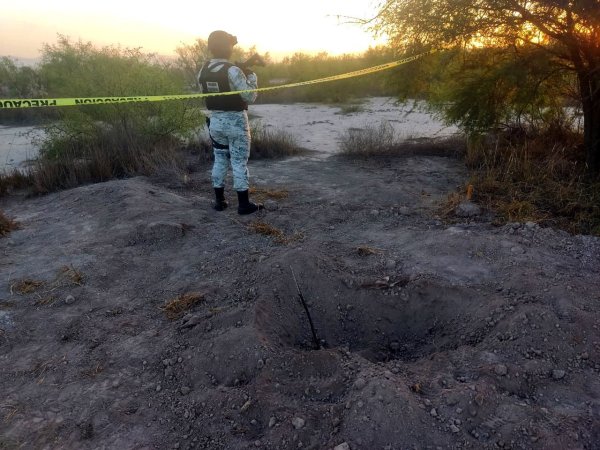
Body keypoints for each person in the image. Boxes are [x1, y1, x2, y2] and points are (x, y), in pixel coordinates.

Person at [198, 30, 263, 215]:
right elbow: (250, 96)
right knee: (239, 162)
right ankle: (243, 204)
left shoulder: (203, 69)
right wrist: (251, 76)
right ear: (228, 47)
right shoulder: (233, 70)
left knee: (219, 159)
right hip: (235, 122)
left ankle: (219, 201)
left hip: (216, 121)